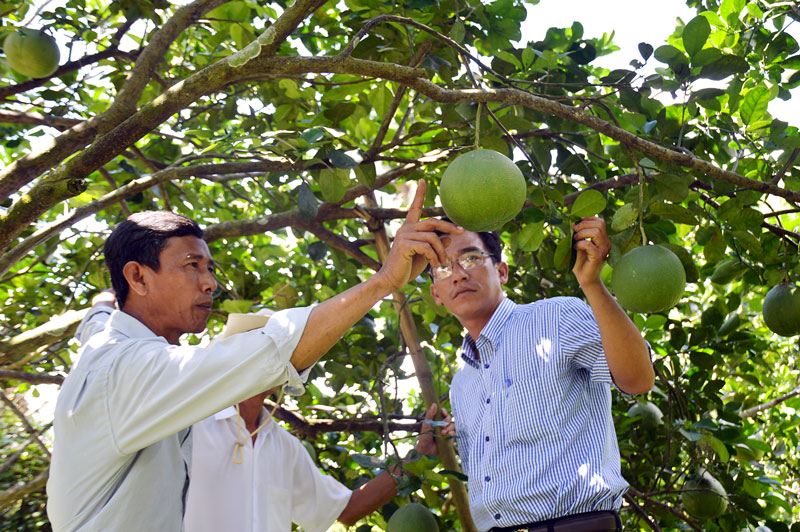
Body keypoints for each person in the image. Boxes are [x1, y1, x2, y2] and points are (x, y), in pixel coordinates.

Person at [46, 180, 462, 532]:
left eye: (209, 269)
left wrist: (105, 303)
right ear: (137, 276)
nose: (209, 284)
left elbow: (99, 320)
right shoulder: (126, 370)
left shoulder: (119, 355)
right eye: (192, 266)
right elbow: (268, 353)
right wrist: (384, 281)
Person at [428, 217, 655, 532]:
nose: (458, 274)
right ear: (435, 294)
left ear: (502, 271)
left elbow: (639, 380)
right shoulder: (461, 383)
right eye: (442, 268)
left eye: (471, 258)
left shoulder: (556, 318)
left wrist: (593, 284)